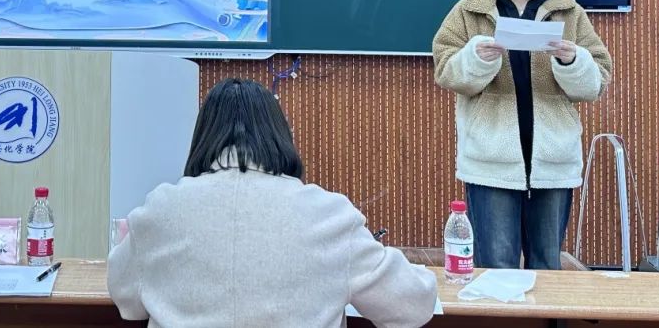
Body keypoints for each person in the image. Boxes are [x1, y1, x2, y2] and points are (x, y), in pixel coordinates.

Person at [107, 78, 437, 328]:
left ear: (202, 138)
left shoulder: (161, 209)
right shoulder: (330, 214)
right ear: (281, 135)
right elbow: (411, 306)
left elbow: (127, 302)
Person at [433, 0, 612, 270]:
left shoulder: (568, 9)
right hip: (491, 157)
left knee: (546, 264)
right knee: (495, 264)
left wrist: (572, 60)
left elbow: (598, 80)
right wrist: (476, 58)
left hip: (553, 157)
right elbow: (445, 70)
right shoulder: (471, 8)